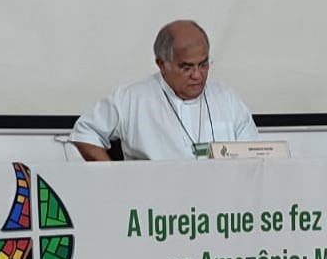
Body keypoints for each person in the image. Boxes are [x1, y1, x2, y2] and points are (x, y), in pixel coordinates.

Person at [70, 20, 259, 161]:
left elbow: (255, 156)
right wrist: (116, 179)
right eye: (187, 68)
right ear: (162, 64)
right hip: (155, 206)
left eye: (203, 64)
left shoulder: (226, 98)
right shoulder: (132, 98)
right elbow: (85, 132)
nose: (198, 76)